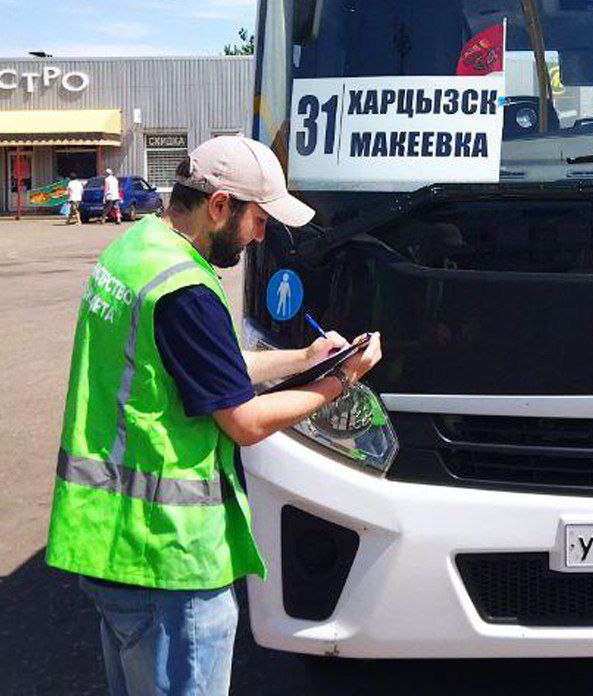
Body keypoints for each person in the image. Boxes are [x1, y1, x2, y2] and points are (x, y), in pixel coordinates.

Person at [45, 135, 382, 696]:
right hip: (166, 558)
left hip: (110, 544)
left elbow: (210, 367)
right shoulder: (185, 291)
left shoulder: (136, 252)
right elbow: (244, 422)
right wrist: (340, 381)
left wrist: (304, 357)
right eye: (258, 219)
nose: (261, 234)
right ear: (220, 204)